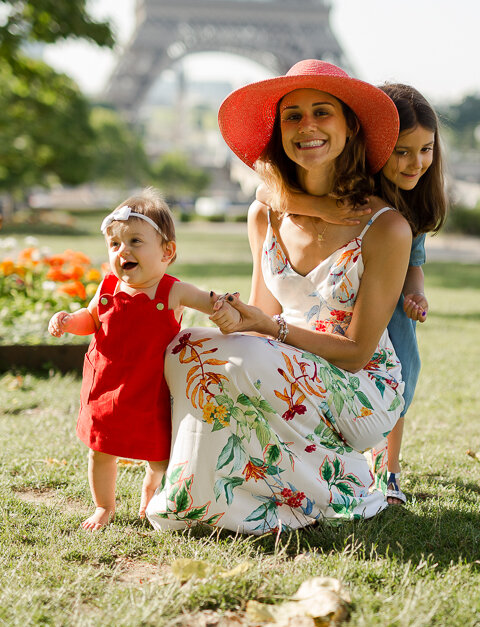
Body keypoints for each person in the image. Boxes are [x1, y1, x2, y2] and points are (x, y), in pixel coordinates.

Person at [143, 60, 411, 534]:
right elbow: (259, 317)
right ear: (279, 131)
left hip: (363, 387)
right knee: (188, 347)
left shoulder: (385, 226)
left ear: (349, 126)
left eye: (322, 112)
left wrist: (268, 329)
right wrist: (232, 316)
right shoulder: (263, 215)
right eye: (293, 116)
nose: (306, 126)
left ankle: (339, 483)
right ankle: (201, 495)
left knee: (242, 358)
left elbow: (356, 352)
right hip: (286, 363)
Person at [252, 83, 447, 506]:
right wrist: (321, 209)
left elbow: (415, 260)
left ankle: (387, 472)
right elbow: (265, 188)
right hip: (342, 307)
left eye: (426, 150)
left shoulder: (400, 212)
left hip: (388, 314)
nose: (415, 163)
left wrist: (417, 295)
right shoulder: (350, 187)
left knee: (399, 384)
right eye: (402, 151)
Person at [48, 188, 238, 530]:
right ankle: (103, 506)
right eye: (115, 244)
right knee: (101, 451)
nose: (124, 251)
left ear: (167, 252)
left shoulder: (172, 291)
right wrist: (67, 321)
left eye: (136, 241)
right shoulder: (107, 287)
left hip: (150, 391)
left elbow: (208, 301)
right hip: (106, 387)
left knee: (159, 456)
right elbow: (90, 318)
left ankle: (152, 492)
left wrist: (224, 304)